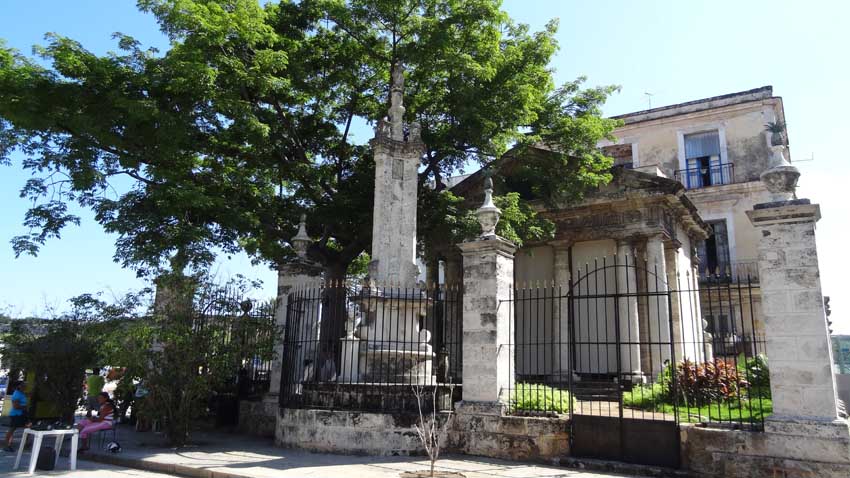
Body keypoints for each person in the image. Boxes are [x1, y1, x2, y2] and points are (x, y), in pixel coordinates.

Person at [3, 381, 29, 452]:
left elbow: (29, 394)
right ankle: (7, 445)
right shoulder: (17, 394)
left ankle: (26, 443)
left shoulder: (22, 393)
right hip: (16, 415)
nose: (25, 386)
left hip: (22, 414)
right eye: (23, 385)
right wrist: (24, 407)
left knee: (28, 427)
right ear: (19, 386)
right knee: (12, 429)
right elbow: (15, 406)